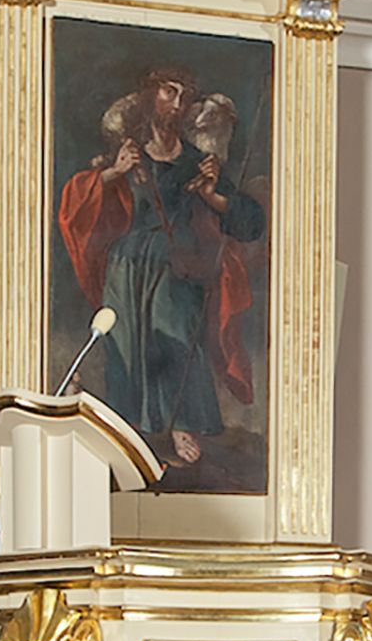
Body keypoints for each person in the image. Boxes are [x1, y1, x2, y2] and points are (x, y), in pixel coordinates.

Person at [57, 67, 264, 468]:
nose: (178, 103)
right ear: (150, 95)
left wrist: (214, 197)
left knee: (176, 332)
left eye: (185, 95)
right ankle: (129, 430)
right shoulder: (126, 153)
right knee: (127, 344)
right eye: (170, 92)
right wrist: (115, 172)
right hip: (128, 264)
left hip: (177, 262)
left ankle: (182, 423)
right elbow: (74, 202)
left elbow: (250, 223)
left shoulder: (196, 161)